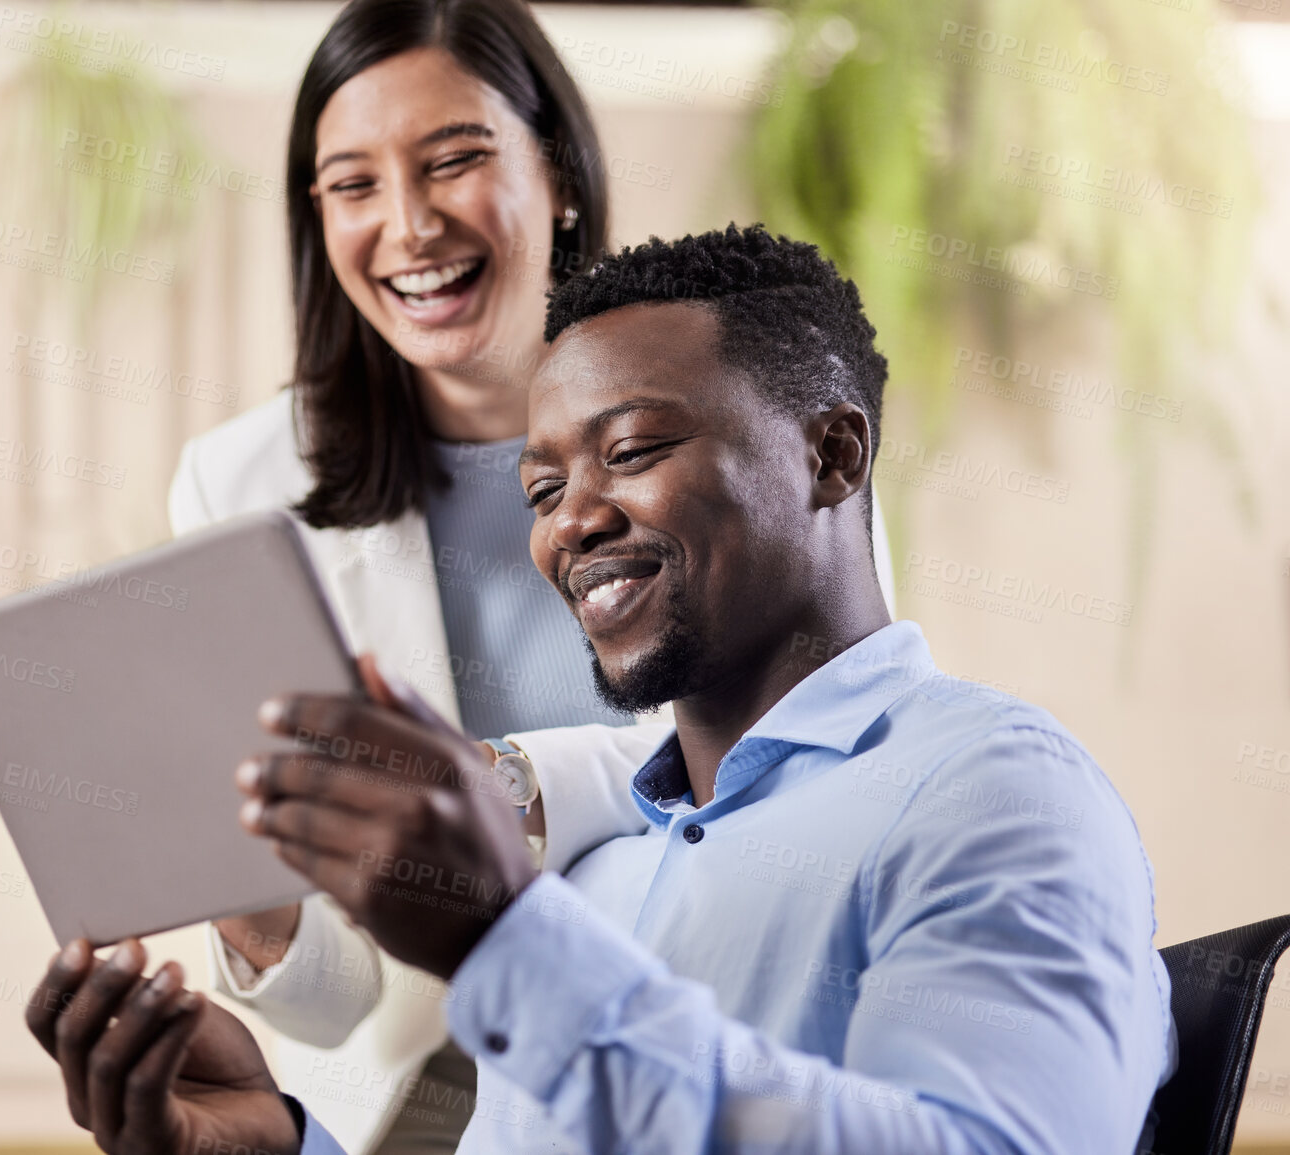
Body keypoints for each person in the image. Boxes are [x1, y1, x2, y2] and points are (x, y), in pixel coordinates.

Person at [28, 225, 1174, 1154]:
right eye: (541, 489)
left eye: (629, 453)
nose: (570, 521)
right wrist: (277, 1145)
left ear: (831, 455)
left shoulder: (993, 795)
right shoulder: (603, 871)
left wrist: (502, 944)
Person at [165, 0, 893, 1148]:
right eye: (352, 185)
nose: (408, 227)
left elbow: (824, 759)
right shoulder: (241, 485)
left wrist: (498, 786)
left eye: (453, 162)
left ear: (555, 173)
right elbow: (336, 1001)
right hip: (441, 1105)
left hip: (724, 1045)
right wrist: (252, 897)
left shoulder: (742, 411)